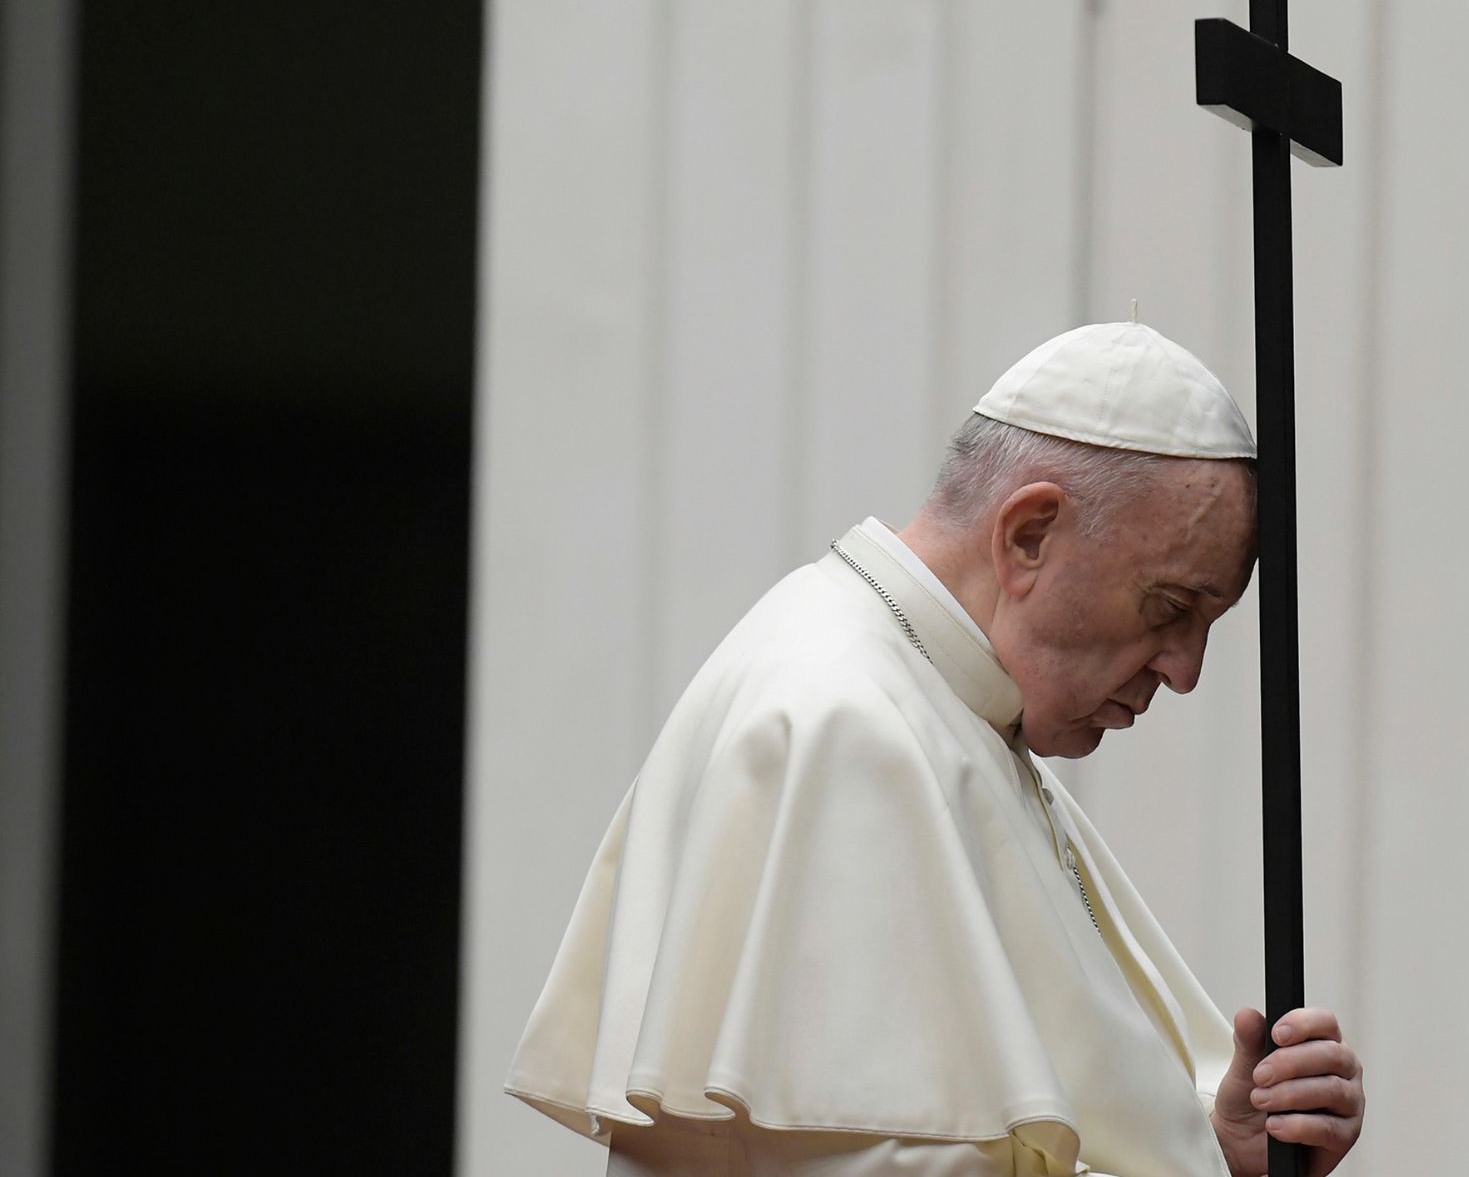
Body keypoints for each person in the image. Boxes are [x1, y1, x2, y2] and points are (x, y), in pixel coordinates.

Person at [506, 321, 1366, 1176]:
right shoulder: (844, 725)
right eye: (1170, 607)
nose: (1185, 672)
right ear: (1030, 534)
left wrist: (1216, 1151)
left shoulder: (944, 705)